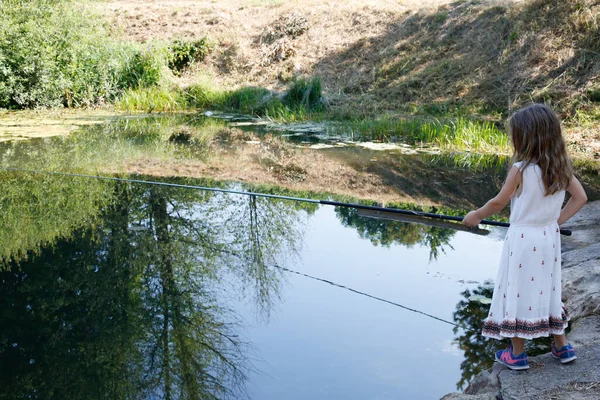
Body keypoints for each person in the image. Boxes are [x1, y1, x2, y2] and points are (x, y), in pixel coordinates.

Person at [462, 103, 588, 370]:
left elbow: (498, 203)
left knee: (518, 290)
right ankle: (562, 346)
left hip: (522, 241)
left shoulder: (520, 169)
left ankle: (517, 354)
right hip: (548, 238)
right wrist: (554, 222)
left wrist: (476, 214)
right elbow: (581, 198)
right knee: (548, 288)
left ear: (526, 138)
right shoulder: (561, 168)